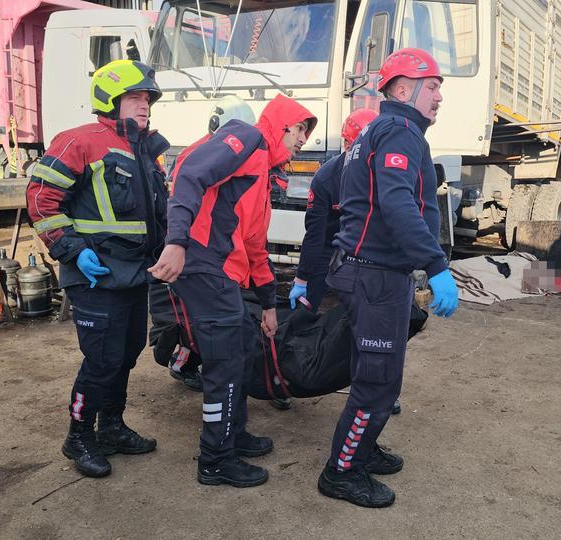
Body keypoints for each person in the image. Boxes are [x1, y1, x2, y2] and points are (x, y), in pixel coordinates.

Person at [149, 94, 317, 488]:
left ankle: (233, 434)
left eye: (307, 134)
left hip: (222, 275)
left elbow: (256, 247)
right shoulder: (248, 138)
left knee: (240, 351)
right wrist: (177, 241)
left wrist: (268, 305)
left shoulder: (262, 175)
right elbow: (190, 173)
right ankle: (215, 459)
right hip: (205, 267)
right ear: (282, 125)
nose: (303, 140)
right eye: (300, 129)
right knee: (224, 363)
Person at [316, 48, 459, 508]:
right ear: (401, 89)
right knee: (377, 382)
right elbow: (396, 203)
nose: (439, 96)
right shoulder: (400, 130)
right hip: (375, 276)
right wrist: (436, 265)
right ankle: (342, 472)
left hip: (369, 272)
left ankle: (363, 446)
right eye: (431, 86)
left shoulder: (380, 130)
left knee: (373, 373)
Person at [27, 60, 168, 478]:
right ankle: (78, 436)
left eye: (147, 99)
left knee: (126, 354)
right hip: (94, 273)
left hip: (135, 273)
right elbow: (41, 199)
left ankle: (111, 428)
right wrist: (71, 250)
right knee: (102, 360)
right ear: (110, 99)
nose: (144, 105)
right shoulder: (80, 141)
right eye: (135, 97)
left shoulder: (146, 150)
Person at [149, 95, 257, 393]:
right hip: (198, 251)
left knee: (203, 319)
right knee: (201, 321)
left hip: (202, 248)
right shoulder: (214, 152)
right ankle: (187, 363)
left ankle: (195, 363)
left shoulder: (202, 150)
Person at [290, 108, 378, 312]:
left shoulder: (386, 175)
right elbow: (315, 234)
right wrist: (302, 279)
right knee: (307, 303)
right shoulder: (326, 179)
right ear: (347, 145)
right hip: (331, 243)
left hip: (371, 245)